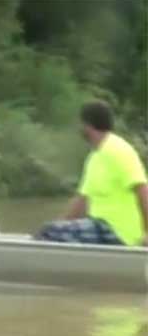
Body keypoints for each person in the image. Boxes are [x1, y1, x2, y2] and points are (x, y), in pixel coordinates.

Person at [37, 101, 148, 246]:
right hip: (98, 226)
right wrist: (60, 226)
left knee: (50, 231)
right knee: (51, 230)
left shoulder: (119, 150)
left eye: (80, 123)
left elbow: (143, 190)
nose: (79, 128)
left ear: (88, 125)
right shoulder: (95, 157)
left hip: (118, 231)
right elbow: (81, 202)